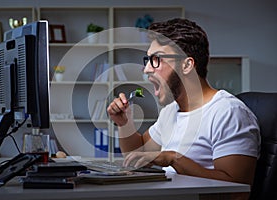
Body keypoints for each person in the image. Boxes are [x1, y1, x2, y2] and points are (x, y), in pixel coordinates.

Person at [107, 18, 260, 191]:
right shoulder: (170, 111)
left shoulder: (229, 112)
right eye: (148, 60)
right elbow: (136, 156)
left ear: (187, 65)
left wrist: (174, 158)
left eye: (156, 59)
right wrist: (124, 123)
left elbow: (238, 192)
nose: (147, 69)